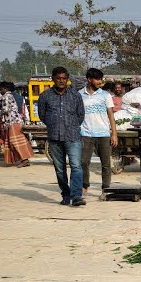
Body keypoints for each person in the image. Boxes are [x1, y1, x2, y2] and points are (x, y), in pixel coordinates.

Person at [35, 67, 86, 206]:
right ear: (53, 79)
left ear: (67, 79)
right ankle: (66, 194)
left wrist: (71, 125)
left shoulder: (75, 95)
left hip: (72, 136)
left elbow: (80, 115)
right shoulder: (45, 96)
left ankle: (76, 196)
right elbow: (42, 115)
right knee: (59, 169)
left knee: (76, 166)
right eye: (58, 78)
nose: (61, 81)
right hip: (54, 137)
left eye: (64, 78)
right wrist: (54, 124)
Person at [79, 68, 117, 195]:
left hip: (103, 134)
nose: (100, 82)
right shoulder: (79, 95)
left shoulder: (105, 95)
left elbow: (111, 115)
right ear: (89, 79)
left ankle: (105, 188)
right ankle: (84, 186)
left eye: (101, 79)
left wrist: (114, 134)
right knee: (83, 162)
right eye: (97, 79)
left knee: (106, 164)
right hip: (85, 134)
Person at [0, 82, 32, 167]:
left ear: (5, 89)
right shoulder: (9, 96)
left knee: (15, 141)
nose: (0, 91)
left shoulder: (7, 96)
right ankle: (22, 159)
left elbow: (5, 110)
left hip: (13, 121)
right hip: (14, 121)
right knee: (14, 141)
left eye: (1, 89)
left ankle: (25, 160)